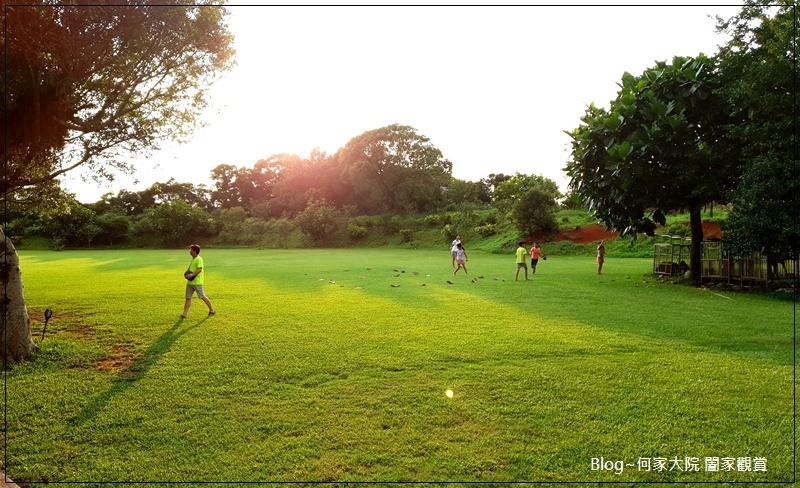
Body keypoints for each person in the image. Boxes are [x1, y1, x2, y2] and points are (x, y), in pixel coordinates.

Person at [182, 244, 216, 318]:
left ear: (195, 251)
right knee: (188, 298)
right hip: (190, 282)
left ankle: (212, 309)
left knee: (202, 296)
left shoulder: (199, 259)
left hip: (197, 282)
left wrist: (191, 275)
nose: (190, 251)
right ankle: (184, 314)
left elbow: (199, 270)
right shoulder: (194, 259)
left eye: (191, 250)